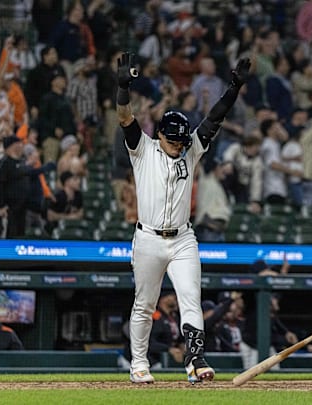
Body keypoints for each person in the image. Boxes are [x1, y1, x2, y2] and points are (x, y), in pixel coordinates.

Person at [116, 51, 250, 384]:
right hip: (147, 238)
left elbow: (214, 118)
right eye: (174, 140)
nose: (179, 145)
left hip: (182, 238)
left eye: (181, 140)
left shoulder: (191, 148)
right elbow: (125, 117)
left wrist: (232, 89)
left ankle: (194, 359)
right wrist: (122, 87)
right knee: (144, 304)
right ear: (161, 135)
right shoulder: (143, 149)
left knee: (191, 296)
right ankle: (138, 363)